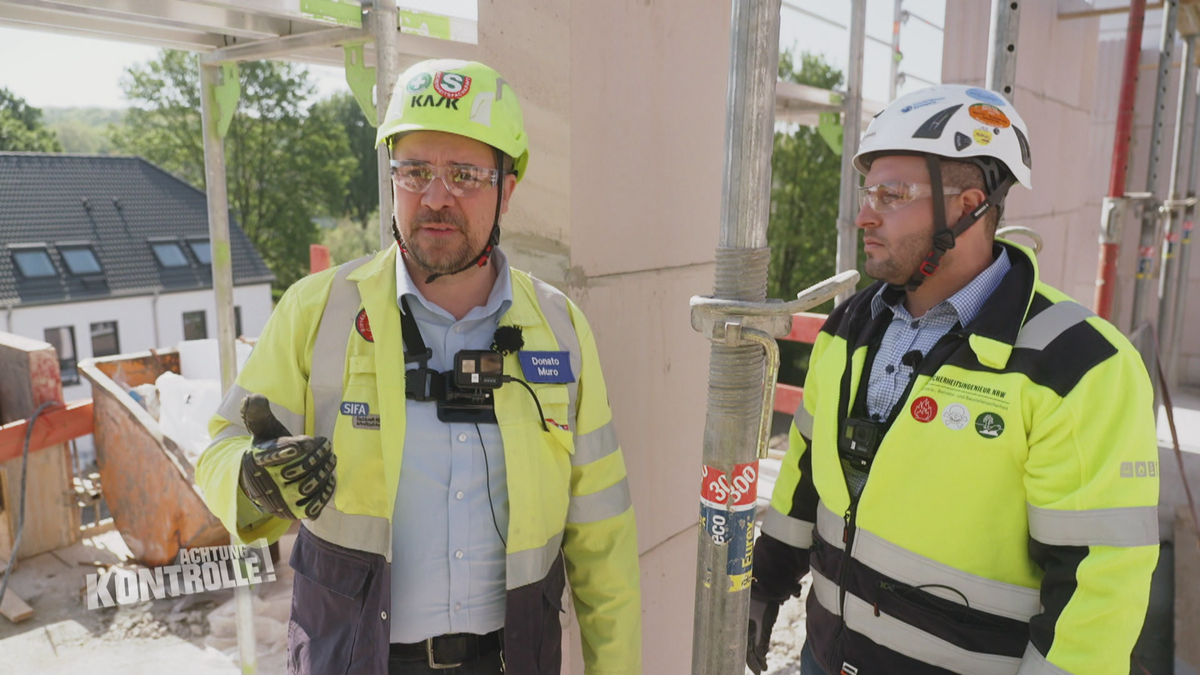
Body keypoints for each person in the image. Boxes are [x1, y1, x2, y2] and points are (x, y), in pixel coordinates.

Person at [196, 59, 641, 675]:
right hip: (354, 657)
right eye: (415, 172)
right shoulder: (318, 310)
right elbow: (220, 451)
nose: (435, 196)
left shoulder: (560, 329)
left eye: (463, 175)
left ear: (507, 189)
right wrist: (250, 478)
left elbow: (602, 534)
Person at [747, 84, 1159, 675]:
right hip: (827, 657)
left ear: (968, 206)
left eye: (892, 194)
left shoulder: (1078, 365)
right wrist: (768, 579)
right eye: (869, 191)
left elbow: (1099, 584)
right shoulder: (851, 325)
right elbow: (806, 469)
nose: (865, 213)